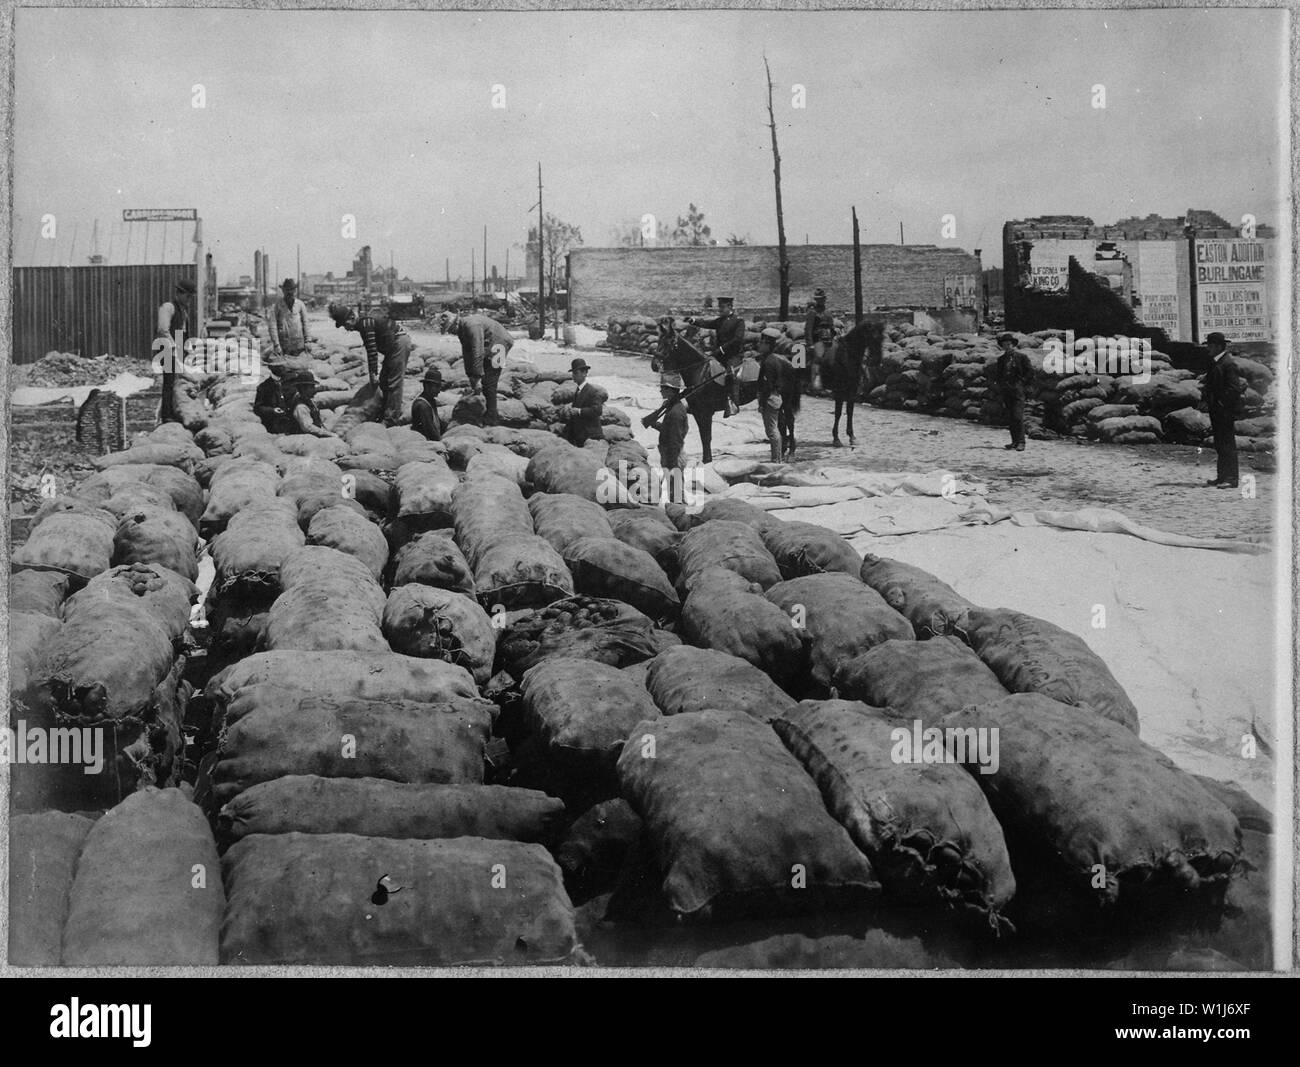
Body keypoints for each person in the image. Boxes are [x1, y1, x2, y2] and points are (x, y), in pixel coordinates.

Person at [329, 301, 412, 426]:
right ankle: (385, 411)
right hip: (392, 346)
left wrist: (373, 373)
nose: (346, 328)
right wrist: (376, 373)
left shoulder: (365, 324)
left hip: (399, 342)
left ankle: (391, 419)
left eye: (345, 324)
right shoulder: (363, 324)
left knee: (394, 382)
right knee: (384, 380)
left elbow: (372, 351)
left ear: (352, 318)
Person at [442, 310, 514, 426]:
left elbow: (477, 351)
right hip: (489, 343)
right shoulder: (462, 330)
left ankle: (492, 418)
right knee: (483, 379)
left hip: (501, 343)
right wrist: (470, 375)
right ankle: (485, 411)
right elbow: (467, 353)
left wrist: (477, 376)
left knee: (489, 383)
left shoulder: (472, 326)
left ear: (456, 323)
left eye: (450, 330)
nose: (451, 333)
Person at [687, 295, 745, 417]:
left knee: (731, 373)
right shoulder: (720, 320)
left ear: (730, 307)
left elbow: (738, 339)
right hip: (719, 354)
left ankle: (733, 404)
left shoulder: (739, 321)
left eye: (722, 307)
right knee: (705, 367)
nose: (720, 309)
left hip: (733, 355)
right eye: (719, 306)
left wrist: (722, 349)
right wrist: (694, 321)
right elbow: (707, 323)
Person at [1201, 331, 1244, 488]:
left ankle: (1231, 479)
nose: (1208, 349)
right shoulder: (1215, 362)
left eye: (1210, 346)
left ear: (1219, 346)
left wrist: (1219, 403)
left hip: (1225, 410)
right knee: (1220, 443)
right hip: (1217, 409)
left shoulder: (1228, 363)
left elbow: (1233, 389)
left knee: (1227, 444)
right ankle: (1222, 476)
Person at [155, 277, 195, 424]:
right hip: (166, 348)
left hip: (177, 348)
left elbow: (183, 331)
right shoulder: (168, 307)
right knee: (169, 382)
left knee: (177, 381)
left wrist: (187, 348)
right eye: (188, 296)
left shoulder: (183, 310)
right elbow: (163, 330)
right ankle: (166, 415)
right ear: (180, 293)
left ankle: (175, 411)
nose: (190, 300)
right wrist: (173, 349)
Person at [756, 338, 799, 462]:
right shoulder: (767, 359)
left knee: (772, 428)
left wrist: (762, 402)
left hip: (771, 397)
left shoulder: (769, 362)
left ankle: (777, 457)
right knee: (774, 425)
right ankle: (779, 453)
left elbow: (767, 384)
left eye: (762, 342)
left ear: (768, 345)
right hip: (774, 396)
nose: (759, 344)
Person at [992, 331, 1034, 451]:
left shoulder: (1021, 357)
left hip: (1018, 390)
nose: (1007, 346)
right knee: (1010, 416)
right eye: (1005, 344)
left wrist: (1022, 382)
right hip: (1006, 390)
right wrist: (1000, 385)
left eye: (1009, 344)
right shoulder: (1001, 359)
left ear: (1013, 345)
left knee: (1017, 416)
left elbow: (1030, 372)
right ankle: (1014, 442)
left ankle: (1021, 442)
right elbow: (999, 374)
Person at [560, 358, 608, 446]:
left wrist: (578, 411)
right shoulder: (578, 391)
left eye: (576, 373)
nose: (573, 376)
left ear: (585, 373)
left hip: (590, 436)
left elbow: (597, 411)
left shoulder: (593, 391)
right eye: (573, 373)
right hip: (580, 434)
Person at [646, 382, 689, 478]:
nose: (660, 391)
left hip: (673, 456)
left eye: (663, 389)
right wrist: (654, 424)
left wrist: (673, 465)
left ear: (670, 391)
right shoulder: (673, 407)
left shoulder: (675, 412)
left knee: (676, 490)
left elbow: (676, 439)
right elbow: (669, 431)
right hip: (670, 453)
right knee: (674, 489)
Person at [279, 368, 337, 438]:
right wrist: (329, 434)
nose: (314, 389)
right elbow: (307, 427)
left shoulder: (309, 401)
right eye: (311, 387)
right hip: (303, 436)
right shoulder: (300, 407)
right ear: (303, 389)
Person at [266, 278, 312, 362]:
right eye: (287, 290)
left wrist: (308, 340)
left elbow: (306, 323)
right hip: (284, 346)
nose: (290, 292)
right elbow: (272, 325)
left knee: (300, 368)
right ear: (283, 291)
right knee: (286, 370)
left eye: (292, 290)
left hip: (299, 345)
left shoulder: (300, 304)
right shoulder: (277, 305)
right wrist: (276, 345)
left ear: (295, 291)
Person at [804, 287, 837, 388]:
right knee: (818, 358)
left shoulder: (827, 312)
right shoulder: (812, 312)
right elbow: (808, 329)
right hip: (817, 340)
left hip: (829, 339)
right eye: (818, 299)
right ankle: (815, 384)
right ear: (816, 300)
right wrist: (810, 344)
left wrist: (834, 335)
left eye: (822, 298)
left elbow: (832, 327)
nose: (821, 300)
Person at [253, 359, 294, 433]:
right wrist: (272, 410)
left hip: (290, 421)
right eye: (278, 366)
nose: (282, 368)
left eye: (282, 366)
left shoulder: (289, 381)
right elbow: (258, 408)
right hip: (274, 424)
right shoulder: (263, 387)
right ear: (270, 368)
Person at [411, 365, 445, 442]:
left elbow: (437, 424)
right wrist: (440, 443)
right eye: (437, 386)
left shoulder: (431, 401)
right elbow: (430, 429)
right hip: (425, 443)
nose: (439, 390)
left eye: (439, 386)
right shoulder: (422, 405)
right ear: (427, 386)